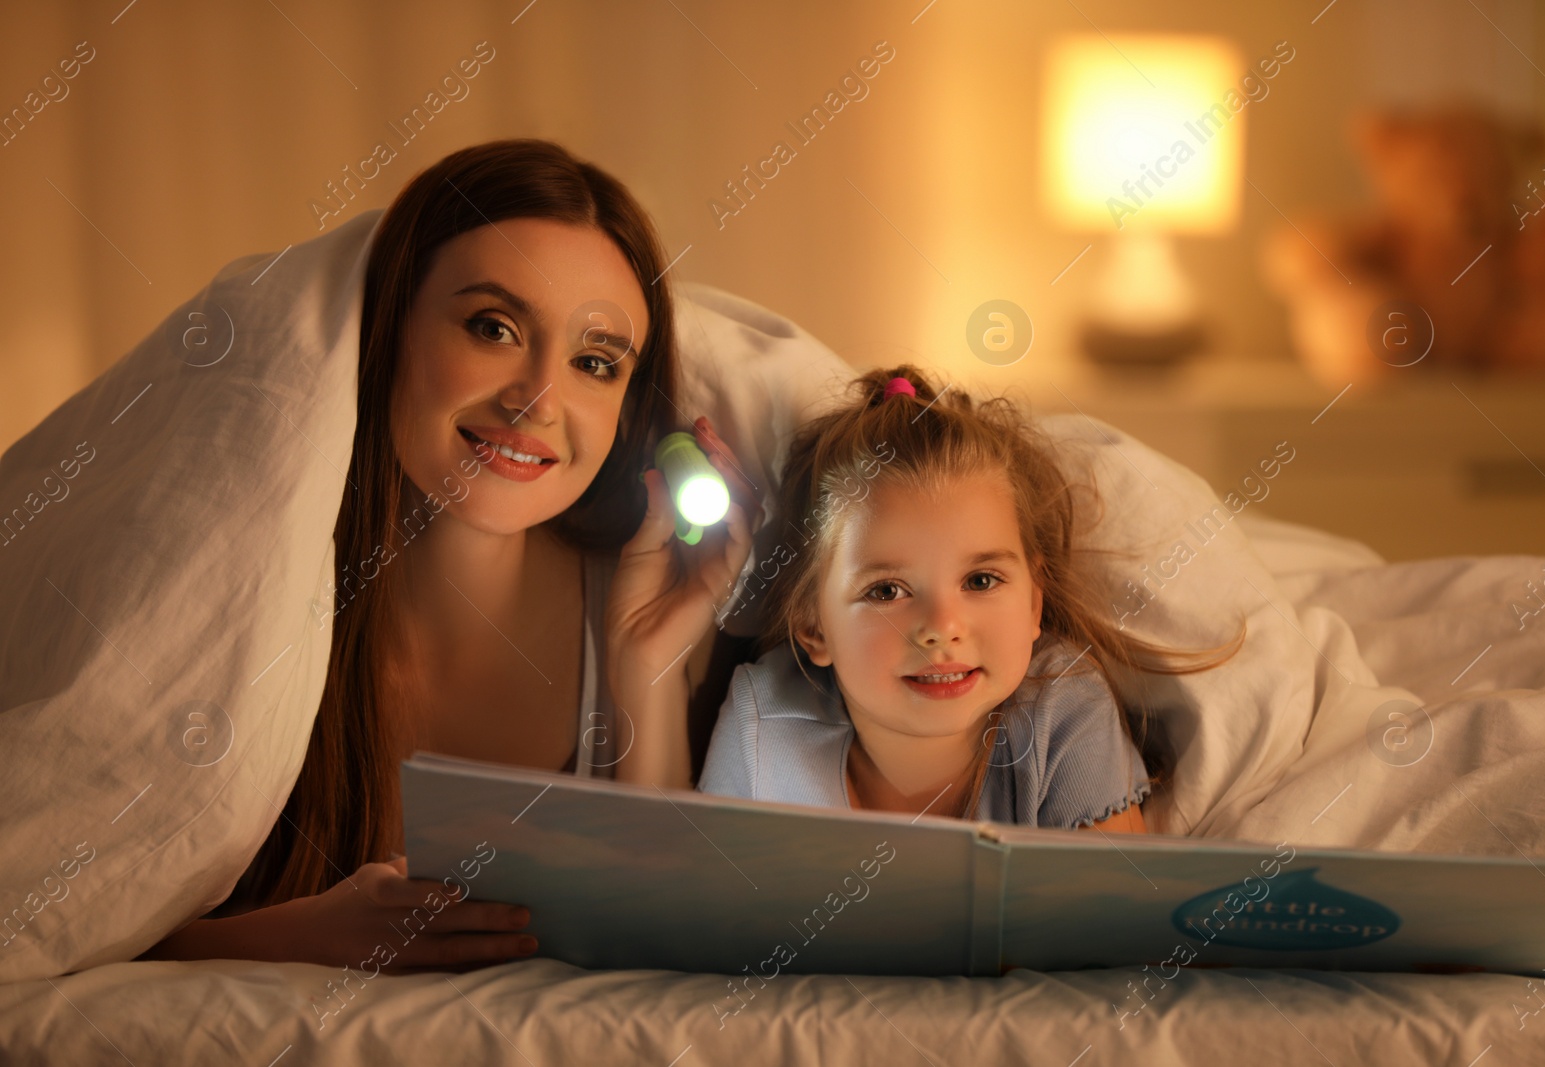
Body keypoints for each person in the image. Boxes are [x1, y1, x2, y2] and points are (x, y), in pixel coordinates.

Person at [143, 139, 758, 970]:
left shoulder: (638, 602)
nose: (538, 399)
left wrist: (645, 666)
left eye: (593, 362)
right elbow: (88, 913)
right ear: (391, 328)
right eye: (492, 326)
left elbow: (659, 941)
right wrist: (302, 937)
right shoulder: (253, 593)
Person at [696, 367, 1244, 828]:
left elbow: (1115, 925)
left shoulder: (1063, 709)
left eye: (981, 581)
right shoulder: (765, 720)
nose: (942, 626)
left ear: (1034, 603)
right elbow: (687, 900)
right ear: (815, 627)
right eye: (887, 590)